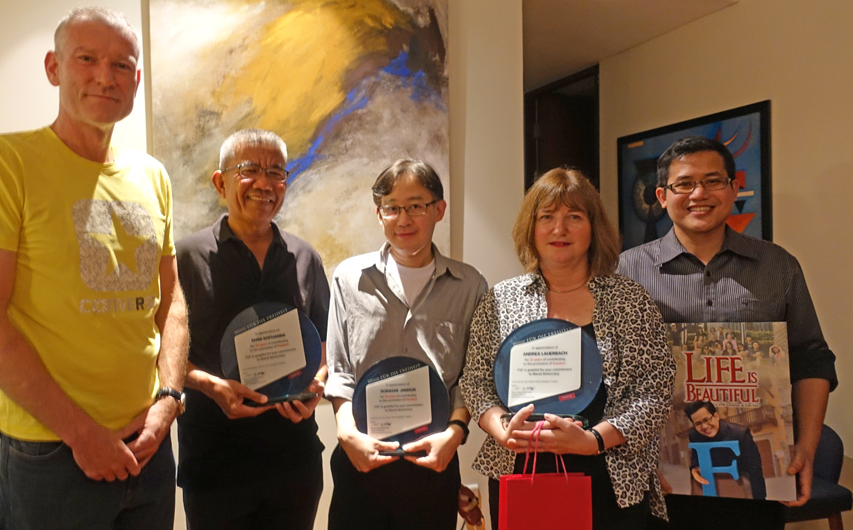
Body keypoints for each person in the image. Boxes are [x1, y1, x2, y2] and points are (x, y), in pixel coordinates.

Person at [0, 7, 188, 529]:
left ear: (136, 80)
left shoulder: (152, 175)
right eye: (87, 59)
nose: (106, 76)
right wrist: (82, 435)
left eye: (121, 65)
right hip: (51, 451)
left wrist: (168, 401)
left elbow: (171, 304)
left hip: (148, 443)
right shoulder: (1, 161)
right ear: (53, 68)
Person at [618, 135, 837, 530]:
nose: (699, 194)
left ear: (734, 189)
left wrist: (805, 447)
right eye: (684, 184)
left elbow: (812, 359)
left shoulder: (778, 266)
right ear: (662, 196)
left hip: (754, 490)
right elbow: (612, 370)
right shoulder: (626, 271)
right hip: (658, 478)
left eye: (713, 181)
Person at [461, 168, 675, 529]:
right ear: (531, 227)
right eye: (547, 217)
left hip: (610, 471)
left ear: (593, 228)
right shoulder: (500, 299)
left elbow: (655, 390)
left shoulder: (628, 299)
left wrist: (593, 441)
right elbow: (476, 382)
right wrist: (501, 429)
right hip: (520, 468)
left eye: (574, 217)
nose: (559, 229)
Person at [175, 128, 330, 530]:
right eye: (249, 170)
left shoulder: (304, 257)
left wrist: (317, 386)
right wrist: (211, 386)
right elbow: (162, 350)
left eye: (276, 172)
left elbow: (325, 344)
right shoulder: (186, 258)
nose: (264, 183)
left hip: (294, 461)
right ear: (220, 182)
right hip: (214, 463)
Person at [325, 159, 487, 530]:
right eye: (392, 207)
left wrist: (454, 436)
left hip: (433, 461)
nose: (403, 219)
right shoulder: (350, 278)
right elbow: (340, 368)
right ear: (378, 213)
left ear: (439, 210)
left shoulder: (470, 285)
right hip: (360, 458)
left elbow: (472, 376)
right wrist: (346, 433)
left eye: (416, 206)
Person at [684, 401, 766, 500]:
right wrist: (694, 468)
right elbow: (695, 457)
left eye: (706, 420)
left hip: (738, 483)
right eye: (698, 423)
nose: (704, 426)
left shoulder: (740, 434)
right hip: (709, 484)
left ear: (716, 416)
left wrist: (760, 499)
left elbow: (755, 469)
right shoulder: (694, 435)